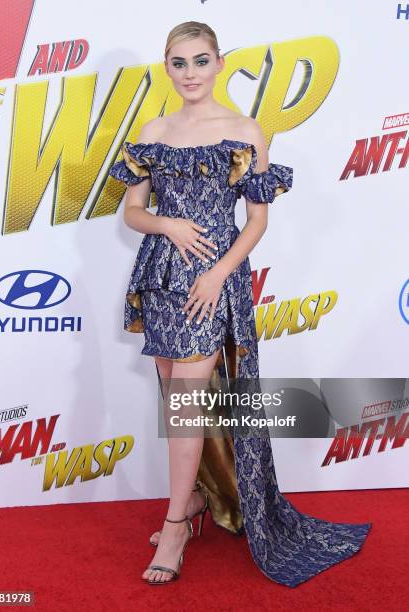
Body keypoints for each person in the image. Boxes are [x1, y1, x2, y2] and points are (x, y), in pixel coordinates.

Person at [109, 21, 371, 587]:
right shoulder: (153, 130)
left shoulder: (244, 130)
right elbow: (132, 213)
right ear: (167, 66)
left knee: (184, 403)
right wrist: (168, 223)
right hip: (159, 277)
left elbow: (256, 220)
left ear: (220, 63)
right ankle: (201, 497)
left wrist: (218, 275)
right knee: (177, 401)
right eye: (178, 63)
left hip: (212, 282)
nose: (190, 74)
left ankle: (175, 525)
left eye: (200, 61)